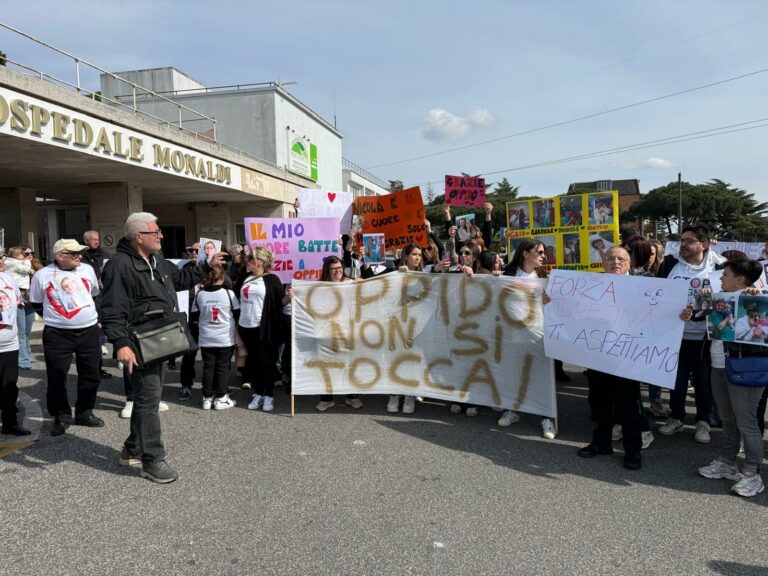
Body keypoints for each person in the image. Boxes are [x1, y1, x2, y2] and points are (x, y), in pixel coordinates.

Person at [101, 212, 221, 484]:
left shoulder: (157, 260)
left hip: (160, 338)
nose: (161, 235)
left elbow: (179, 281)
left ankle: (132, 449)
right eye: (156, 231)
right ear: (139, 236)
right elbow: (111, 309)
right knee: (148, 400)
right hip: (139, 341)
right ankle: (152, 459)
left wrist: (206, 266)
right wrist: (120, 343)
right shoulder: (120, 265)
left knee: (147, 399)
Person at [577, 247, 691, 470]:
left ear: (629, 263)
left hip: (629, 357)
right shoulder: (591, 284)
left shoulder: (646, 285)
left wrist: (682, 315)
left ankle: (632, 451)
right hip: (598, 354)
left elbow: (665, 312)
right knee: (599, 401)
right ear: (603, 263)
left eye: (621, 259)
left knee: (628, 405)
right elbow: (574, 309)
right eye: (610, 258)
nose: (615, 262)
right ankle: (601, 443)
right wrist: (550, 301)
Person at [698, 258, 766, 497]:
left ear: (740, 279)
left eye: (725, 274)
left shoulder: (757, 298)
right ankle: (727, 462)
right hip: (718, 365)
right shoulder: (719, 299)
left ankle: (752, 473)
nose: (721, 278)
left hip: (745, 368)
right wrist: (702, 299)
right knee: (727, 419)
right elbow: (702, 318)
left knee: (747, 422)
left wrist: (756, 296)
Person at [657, 225, 724, 443]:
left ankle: (703, 421)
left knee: (704, 381)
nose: (683, 245)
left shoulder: (719, 266)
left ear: (703, 245)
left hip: (706, 337)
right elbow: (657, 293)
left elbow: (725, 299)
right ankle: (676, 417)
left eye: (689, 241)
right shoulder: (669, 264)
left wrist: (698, 310)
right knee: (676, 378)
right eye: (681, 240)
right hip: (675, 334)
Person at [29, 239, 102, 436]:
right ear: (60, 256)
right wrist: (57, 319)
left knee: (91, 373)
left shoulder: (87, 270)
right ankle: (61, 415)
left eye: (80, 253)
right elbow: (36, 301)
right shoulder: (42, 275)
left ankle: (84, 411)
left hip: (89, 331)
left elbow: (94, 294)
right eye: (74, 254)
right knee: (57, 376)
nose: (79, 256)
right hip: (58, 334)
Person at [499, 239, 557, 438]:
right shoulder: (507, 275)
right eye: (539, 252)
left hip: (538, 335)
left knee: (542, 375)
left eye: (544, 253)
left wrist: (549, 301)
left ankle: (547, 417)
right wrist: (494, 279)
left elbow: (556, 309)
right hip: (513, 335)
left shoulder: (545, 278)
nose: (543, 256)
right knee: (514, 373)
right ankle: (512, 409)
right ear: (525, 253)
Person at [238, 246, 293, 413]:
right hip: (245, 326)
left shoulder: (272, 279)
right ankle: (258, 392)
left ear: (260, 261)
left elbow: (278, 304)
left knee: (267, 362)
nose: (247, 261)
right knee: (253, 361)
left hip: (264, 328)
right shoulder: (245, 278)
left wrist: (288, 298)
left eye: (250, 258)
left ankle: (269, 394)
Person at [314, 256, 362, 411]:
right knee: (327, 366)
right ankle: (327, 399)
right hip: (327, 333)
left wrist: (363, 283)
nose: (338, 271)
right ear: (327, 270)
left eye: (340, 268)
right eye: (334, 269)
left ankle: (352, 397)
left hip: (348, 332)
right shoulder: (319, 287)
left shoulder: (350, 283)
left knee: (350, 365)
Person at [194, 265, 239, 410]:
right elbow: (237, 314)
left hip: (207, 337)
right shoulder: (228, 293)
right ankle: (221, 397)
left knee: (208, 366)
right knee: (222, 367)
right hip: (224, 337)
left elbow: (194, 316)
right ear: (221, 278)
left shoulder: (200, 294)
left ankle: (207, 397)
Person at [387, 244, 424, 414]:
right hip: (398, 324)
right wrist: (398, 276)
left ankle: (409, 395)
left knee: (412, 359)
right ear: (406, 256)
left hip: (418, 326)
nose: (418, 258)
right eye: (415, 254)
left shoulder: (425, 274)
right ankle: (395, 394)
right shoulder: (395, 273)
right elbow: (371, 279)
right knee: (396, 359)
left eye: (420, 255)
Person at [0, 260, 30, 436]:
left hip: (9, 345)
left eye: (2, 256)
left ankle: (10, 423)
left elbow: (16, 303)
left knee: (9, 386)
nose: (1, 261)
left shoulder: (8, 279)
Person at [3, 247, 35, 370]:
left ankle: (27, 355)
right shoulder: (10, 262)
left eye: (30, 253)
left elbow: (33, 272)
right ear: (14, 255)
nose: (27, 255)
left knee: (27, 331)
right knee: (20, 332)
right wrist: (27, 260)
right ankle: (23, 361)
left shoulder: (23, 263)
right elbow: (26, 269)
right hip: (19, 297)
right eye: (24, 254)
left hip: (28, 296)